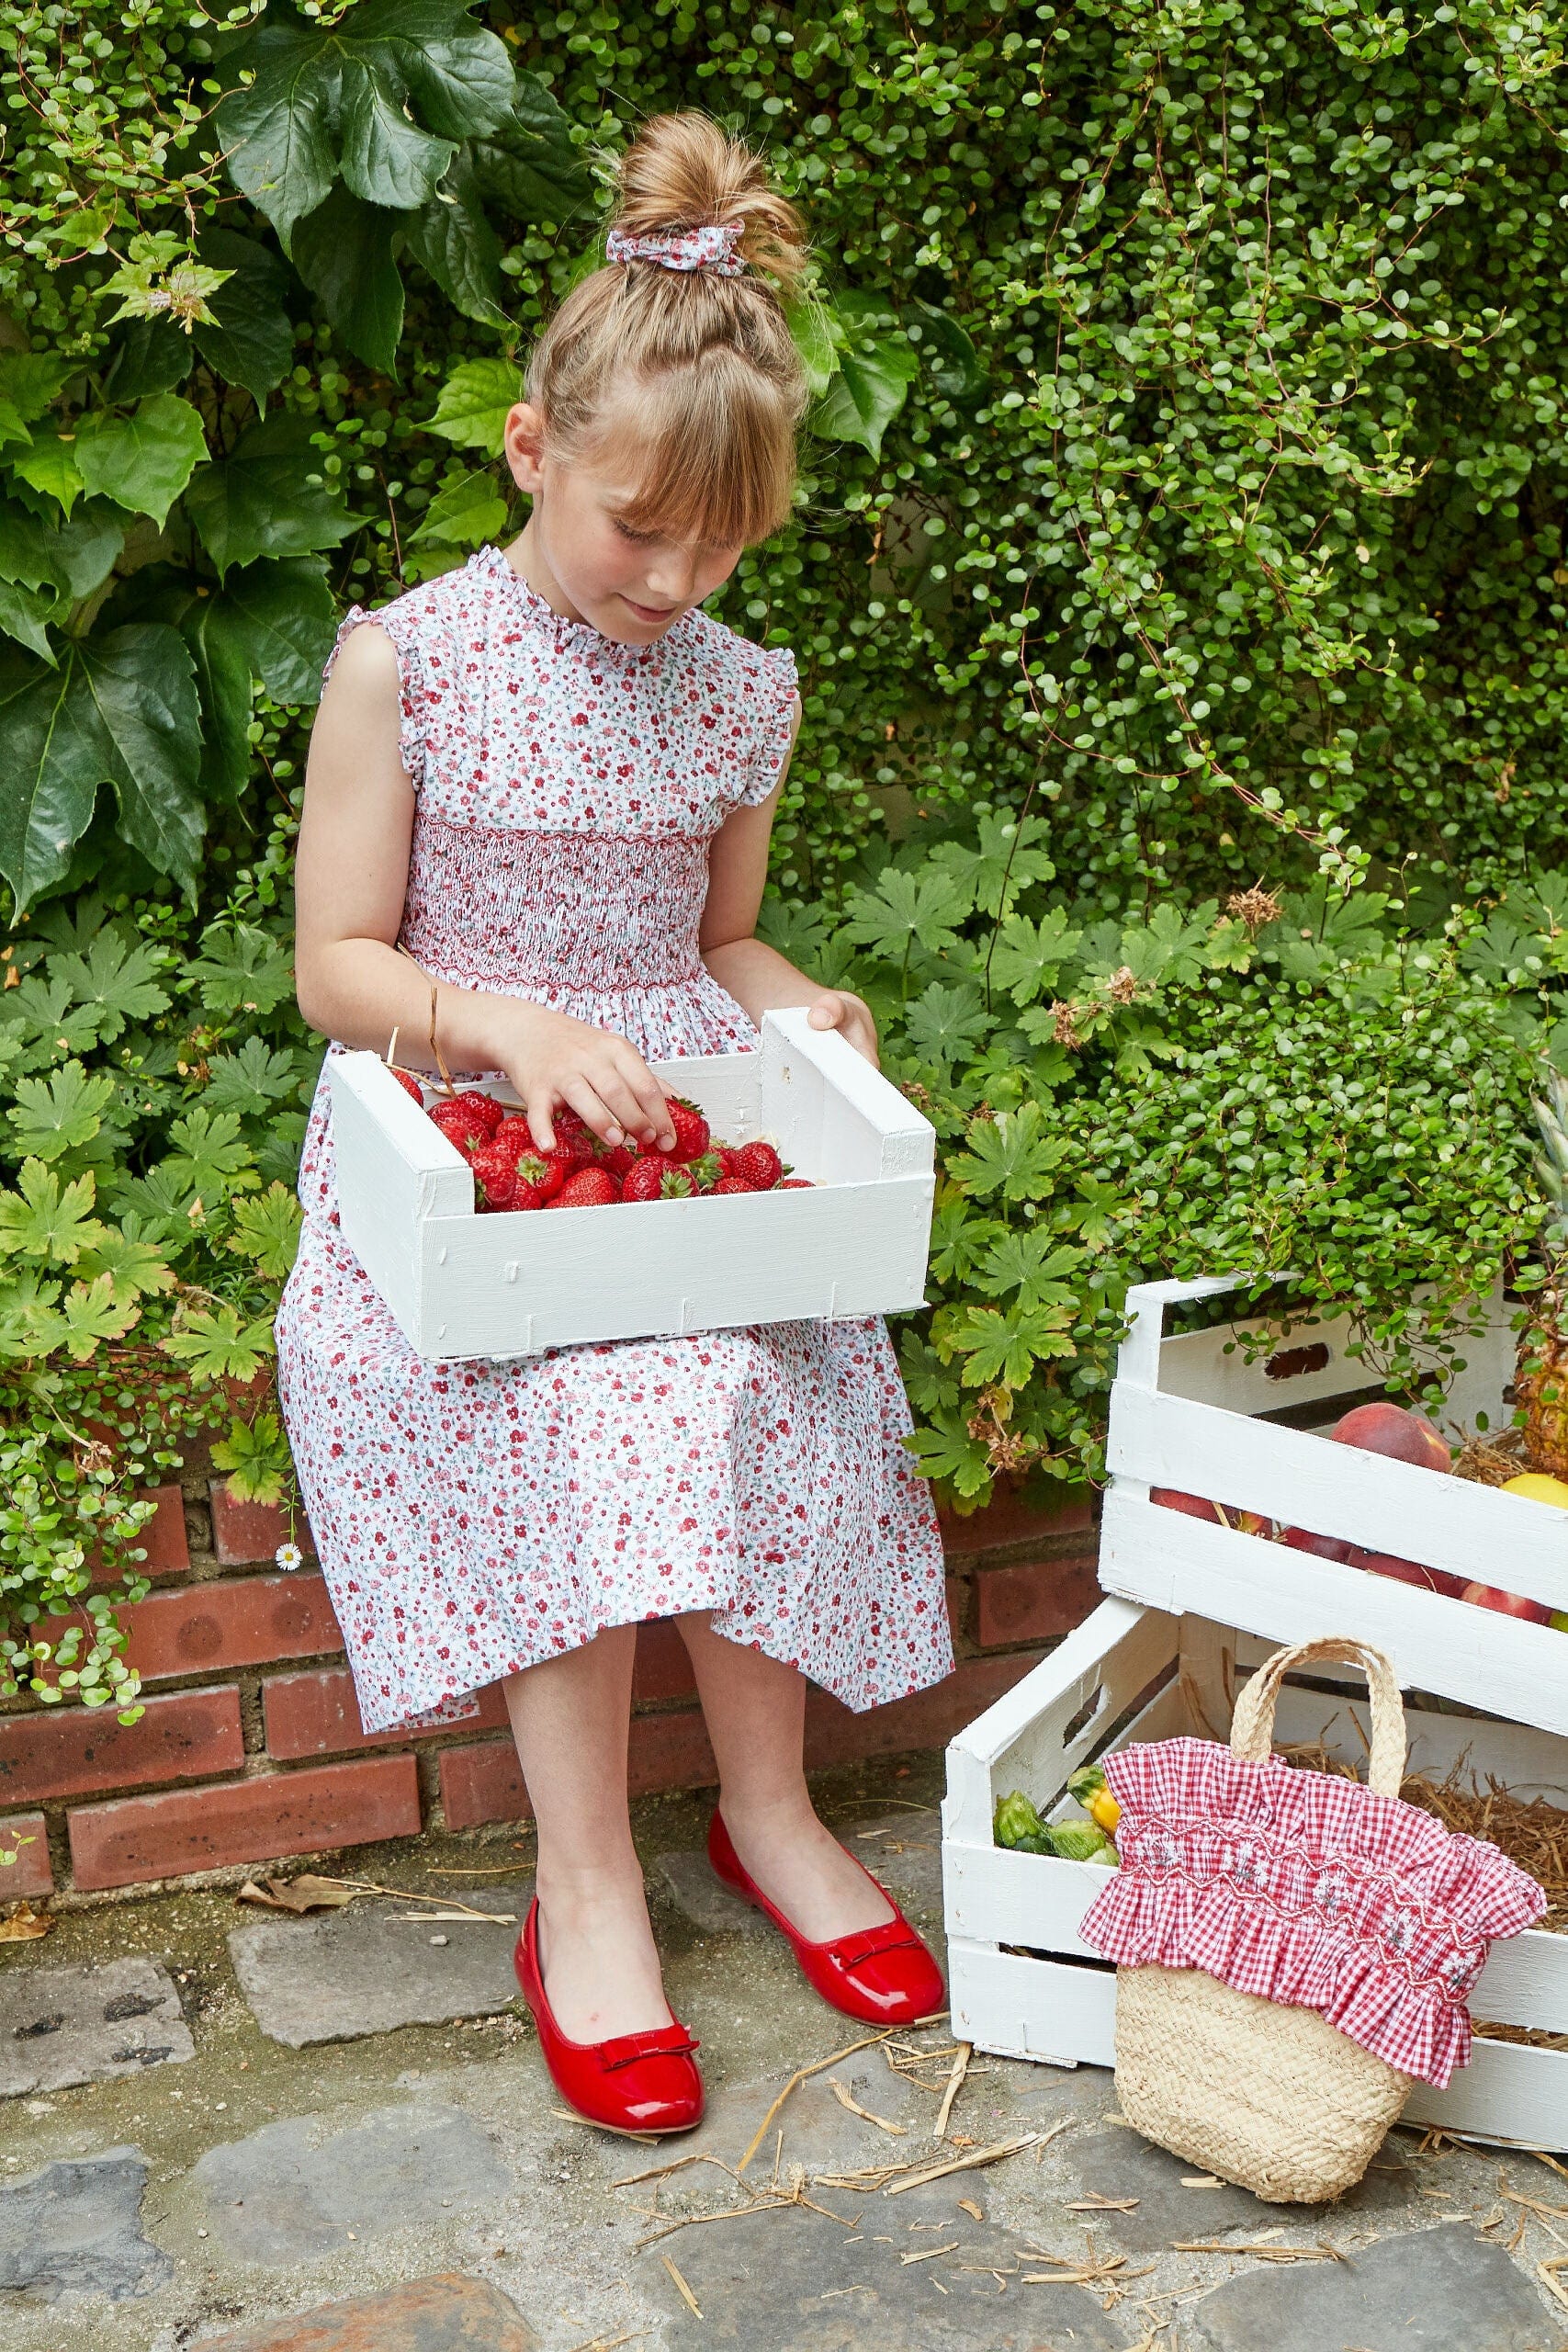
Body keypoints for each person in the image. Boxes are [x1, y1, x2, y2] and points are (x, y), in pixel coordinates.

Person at [277, 109, 952, 2136]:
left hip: (676, 1118)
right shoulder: (411, 661)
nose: (677, 577)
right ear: (529, 447)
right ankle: (582, 1882)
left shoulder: (743, 691)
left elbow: (723, 937)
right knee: (584, 1394)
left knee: (767, 1354)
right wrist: (494, 1025)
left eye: (722, 543)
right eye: (638, 526)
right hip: (462, 1124)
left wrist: (796, 1006)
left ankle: (769, 1806)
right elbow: (338, 963)